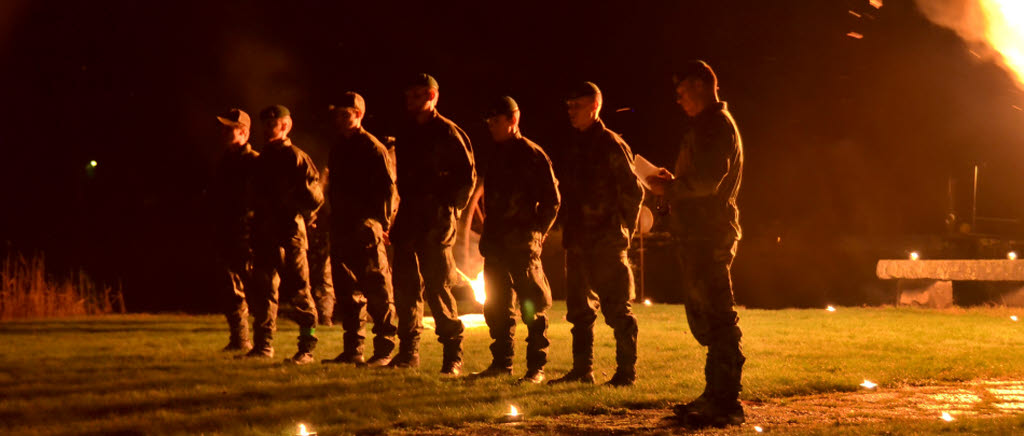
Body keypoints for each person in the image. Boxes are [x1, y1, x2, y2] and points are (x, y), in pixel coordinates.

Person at [646, 60, 745, 428]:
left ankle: (726, 401)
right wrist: (672, 185)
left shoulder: (716, 127)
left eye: (683, 91)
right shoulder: (705, 127)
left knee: (718, 316)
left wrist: (670, 188)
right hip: (697, 232)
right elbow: (698, 178)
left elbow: (707, 182)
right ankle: (714, 394)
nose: (678, 99)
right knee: (706, 315)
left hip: (709, 233)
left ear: (703, 86)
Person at [549, 82, 644, 387]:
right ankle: (582, 370)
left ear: (594, 107)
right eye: (568, 107)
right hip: (578, 240)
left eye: (575, 106)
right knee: (579, 310)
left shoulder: (609, 144)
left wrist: (623, 229)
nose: (570, 112)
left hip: (605, 240)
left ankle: (626, 373)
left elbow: (633, 190)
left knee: (617, 309)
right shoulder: (575, 144)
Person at [389, 74, 476, 376]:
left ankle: (453, 352)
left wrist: (449, 209)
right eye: (408, 94)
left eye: (417, 94)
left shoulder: (448, 133)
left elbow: (466, 178)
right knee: (405, 288)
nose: (410, 100)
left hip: (435, 219)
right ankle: (408, 352)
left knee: (438, 287)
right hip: (410, 217)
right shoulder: (406, 132)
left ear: (432, 96)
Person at [471, 96, 560, 384]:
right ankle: (501, 363)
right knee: (496, 307)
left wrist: (538, 233)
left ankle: (536, 368)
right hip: (496, 245)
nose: (491, 127)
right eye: (489, 123)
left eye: (496, 121)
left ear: (513, 120)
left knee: (532, 306)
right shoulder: (496, 154)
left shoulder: (532, 154)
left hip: (522, 245)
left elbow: (552, 200)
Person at [322, 92, 399, 367]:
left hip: (366, 228)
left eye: (346, 114)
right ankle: (353, 349)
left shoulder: (372, 148)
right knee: (347, 291)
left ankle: (384, 350)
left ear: (359, 114)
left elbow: (388, 190)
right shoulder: (337, 147)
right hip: (342, 226)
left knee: (377, 289)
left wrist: (381, 224)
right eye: (338, 114)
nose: (340, 119)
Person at [244, 104, 323, 364]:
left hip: (291, 231)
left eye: (272, 124)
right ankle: (263, 345)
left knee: (300, 290)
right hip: (267, 232)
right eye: (265, 124)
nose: (267, 129)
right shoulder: (263, 158)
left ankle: (307, 348)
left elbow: (315, 197)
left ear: (286, 126)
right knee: (265, 288)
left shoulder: (297, 158)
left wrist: (295, 209)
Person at [211, 108, 259, 352]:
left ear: (243, 132)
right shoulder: (224, 161)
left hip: (248, 234)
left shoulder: (254, 162)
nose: (223, 132)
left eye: (229, 128)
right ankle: (240, 339)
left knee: (257, 287)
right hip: (226, 232)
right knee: (230, 286)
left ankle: (262, 342)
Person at [307, 187, 336, 327]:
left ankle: (324, 316)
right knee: (324, 277)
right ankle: (323, 316)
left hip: (326, 235)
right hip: (322, 234)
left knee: (325, 277)